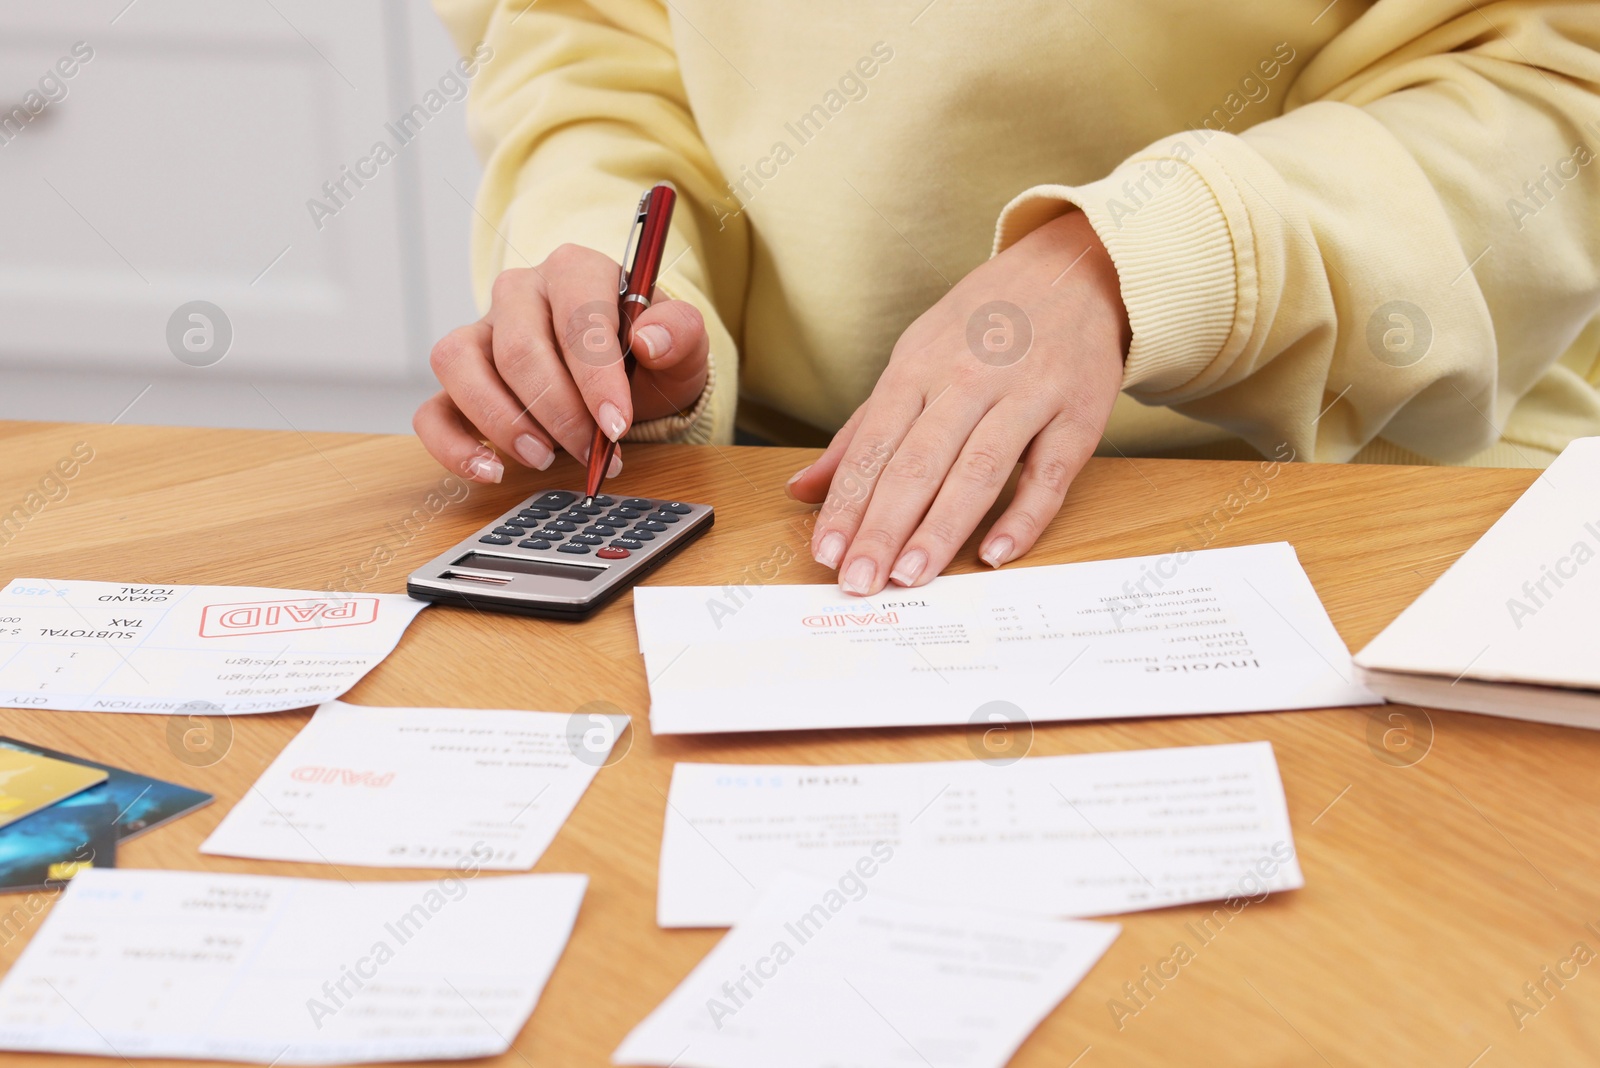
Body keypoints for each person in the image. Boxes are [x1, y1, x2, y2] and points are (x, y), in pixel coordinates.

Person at [414, 1, 1600, 598]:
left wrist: (1130, 263)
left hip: (1371, 495)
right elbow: (592, 39)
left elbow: (1548, 72)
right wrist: (628, 313)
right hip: (780, 508)